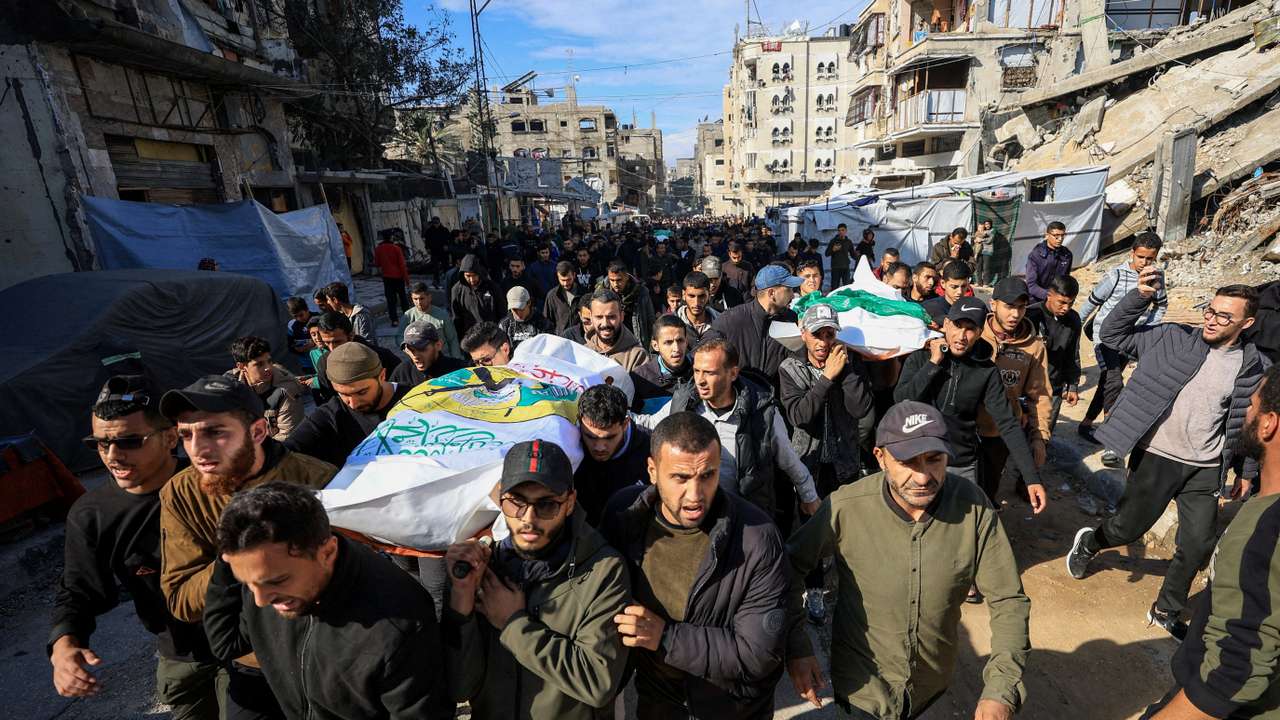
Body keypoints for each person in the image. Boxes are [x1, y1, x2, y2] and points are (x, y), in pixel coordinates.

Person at [785, 401, 1031, 720]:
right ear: (881, 458)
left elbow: (1008, 599)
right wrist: (797, 647)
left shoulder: (974, 508)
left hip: (929, 687)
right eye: (907, 462)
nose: (922, 476)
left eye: (934, 460)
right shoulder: (846, 507)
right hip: (862, 689)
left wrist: (1001, 687)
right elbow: (787, 570)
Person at [1066, 280, 1267, 638]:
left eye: (1224, 316)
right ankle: (1092, 541)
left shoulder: (1253, 366)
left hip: (1205, 466)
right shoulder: (1170, 337)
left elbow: (1247, 423)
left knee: (1197, 543)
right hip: (1156, 455)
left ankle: (1166, 609)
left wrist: (1247, 472)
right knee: (1127, 528)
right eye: (1210, 311)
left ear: (1246, 324)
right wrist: (1140, 297)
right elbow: (1111, 334)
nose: (1212, 320)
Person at [158, 376, 336, 720]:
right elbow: (181, 599)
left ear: (257, 432)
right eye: (186, 434)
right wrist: (241, 557)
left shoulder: (319, 481)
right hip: (250, 666)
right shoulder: (181, 493)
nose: (197, 449)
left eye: (215, 432)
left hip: (322, 656)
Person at [204, 482, 450, 720]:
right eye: (247, 582)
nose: (259, 601)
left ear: (328, 553)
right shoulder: (266, 576)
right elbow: (226, 643)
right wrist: (230, 563)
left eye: (278, 581)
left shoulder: (399, 621)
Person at [50, 376, 219, 718]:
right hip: (181, 655)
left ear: (170, 437)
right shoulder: (92, 515)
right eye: (99, 443)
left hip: (250, 644)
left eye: (129, 441)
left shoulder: (214, 484)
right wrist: (64, 643)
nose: (113, 455)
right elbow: (80, 590)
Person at [602, 412, 789, 719]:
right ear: (652, 470)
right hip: (658, 703)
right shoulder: (624, 513)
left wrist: (664, 636)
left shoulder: (757, 537)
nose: (695, 495)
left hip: (730, 708)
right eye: (680, 478)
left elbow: (758, 655)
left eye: (707, 476)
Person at [443, 440, 631, 719]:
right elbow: (459, 688)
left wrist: (514, 625)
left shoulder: (603, 571)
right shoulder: (484, 570)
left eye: (546, 505)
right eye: (516, 503)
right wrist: (461, 603)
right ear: (500, 499)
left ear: (569, 504)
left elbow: (598, 683)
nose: (528, 519)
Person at [1141, 364, 1280, 719]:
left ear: (1269, 424)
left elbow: (1234, 671)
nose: (1246, 411)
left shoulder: (1265, 530)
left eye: (1252, 405)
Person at [894, 297, 1047, 512]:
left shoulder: (986, 370)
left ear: (979, 332)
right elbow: (902, 401)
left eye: (970, 329)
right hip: (919, 461)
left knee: (962, 526)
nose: (962, 336)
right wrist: (933, 364)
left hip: (960, 461)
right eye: (957, 326)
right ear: (947, 324)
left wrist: (1031, 477)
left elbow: (1008, 423)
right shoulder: (921, 357)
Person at [637, 339, 819, 519]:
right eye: (696, 371)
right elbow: (650, 423)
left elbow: (789, 460)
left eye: (709, 373)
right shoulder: (683, 402)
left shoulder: (763, 414)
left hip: (744, 516)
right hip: (697, 515)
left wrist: (809, 496)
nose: (700, 380)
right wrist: (620, 418)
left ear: (733, 373)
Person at [778, 304, 874, 624]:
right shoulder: (791, 368)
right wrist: (826, 378)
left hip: (843, 459)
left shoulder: (849, 364)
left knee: (846, 524)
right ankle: (815, 588)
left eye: (828, 334)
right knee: (813, 527)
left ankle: (851, 585)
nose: (822, 342)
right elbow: (800, 416)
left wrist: (844, 372)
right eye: (816, 334)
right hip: (809, 462)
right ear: (804, 335)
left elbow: (860, 407)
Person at [1077, 232, 1168, 447]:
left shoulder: (1156, 278)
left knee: (1107, 383)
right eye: (1141, 257)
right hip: (1105, 336)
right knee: (1114, 380)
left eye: (1150, 259)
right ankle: (1110, 432)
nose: (1144, 263)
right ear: (1132, 254)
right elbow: (1091, 302)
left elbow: (1161, 305)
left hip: (1130, 340)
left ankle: (1086, 424)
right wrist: (1073, 327)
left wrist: (1147, 327)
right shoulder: (1116, 275)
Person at [976, 278, 1053, 508]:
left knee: (989, 487)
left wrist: (1039, 438)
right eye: (1009, 306)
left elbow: (1039, 395)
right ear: (993, 305)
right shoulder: (974, 332)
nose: (1015, 314)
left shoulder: (1034, 346)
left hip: (1001, 432)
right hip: (966, 428)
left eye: (1021, 307)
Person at [285, 342, 411, 468]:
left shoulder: (416, 399)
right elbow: (289, 450)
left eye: (362, 392)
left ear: (382, 376)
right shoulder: (332, 414)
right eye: (343, 394)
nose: (353, 404)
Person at [574, 385, 652, 526]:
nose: (599, 447)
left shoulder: (651, 450)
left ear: (626, 424)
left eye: (609, 438)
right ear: (580, 421)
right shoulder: (570, 445)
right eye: (590, 437)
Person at [706, 264, 802, 379]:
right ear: (771, 293)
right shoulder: (731, 320)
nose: (792, 295)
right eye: (789, 289)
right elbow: (701, 355)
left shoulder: (791, 318)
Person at [1025, 275, 1082, 433]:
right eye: (1062, 302)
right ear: (1049, 295)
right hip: (1027, 386)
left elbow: (1073, 353)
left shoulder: (1073, 320)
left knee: (1044, 433)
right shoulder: (1031, 315)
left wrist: (1073, 385)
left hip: (1054, 387)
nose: (1066, 308)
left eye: (1071, 303)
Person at [225, 337, 305, 441]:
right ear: (241, 367)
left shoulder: (286, 389)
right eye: (259, 364)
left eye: (269, 361)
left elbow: (288, 436)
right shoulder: (229, 383)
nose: (268, 367)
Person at [312, 312, 401, 402]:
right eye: (327, 343)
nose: (332, 348)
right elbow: (331, 399)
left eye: (337, 342)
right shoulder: (324, 363)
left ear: (351, 336)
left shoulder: (381, 356)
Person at [632, 315, 693, 410]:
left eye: (680, 340)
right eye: (668, 342)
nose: (676, 349)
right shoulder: (639, 379)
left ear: (686, 342)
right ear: (655, 345)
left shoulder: (699, 371)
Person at [584, 289, 649, 371]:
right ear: (591, 317)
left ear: (622, 316)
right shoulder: (583, 352)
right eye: (599, 317)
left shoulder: (637, 356)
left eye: (611, 317)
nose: (605, 324)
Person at [389, 321, 466, 387]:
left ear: (438, 345)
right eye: (410, 350)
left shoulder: (460, 370)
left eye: (421, 348)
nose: (415, 355)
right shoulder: (402, 374)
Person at [602, 260, 657, 349]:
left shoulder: (641, 292)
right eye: (612, 280)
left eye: (619, 280)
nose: (615, 284)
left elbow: (650, 319)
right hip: (612, 341)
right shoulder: (602, 293)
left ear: (627, 277)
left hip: (636, 339)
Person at [401, 282, 462, 360]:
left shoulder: (442, 315)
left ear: (429, 297)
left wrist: (456, 359)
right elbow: (400, 337)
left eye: (421, 298)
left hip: (441, 357)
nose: (418, 302)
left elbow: (452, 339)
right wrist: (409, 350)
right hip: (419, 358)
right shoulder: (408, 316)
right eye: (415, 299)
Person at [450, 254, 504, 338]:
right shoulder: (457, 290)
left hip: (491, 336)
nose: (471, 279)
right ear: (463, 274)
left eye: (474, 275)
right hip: (470, 338)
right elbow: (457, 318)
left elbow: (502, 313)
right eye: (468, 276)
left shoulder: (492, 287)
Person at [1025, 221, 1073, 303]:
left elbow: (1064, 279)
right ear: (1047, 235)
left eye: (1062, 235)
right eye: (1056, 236)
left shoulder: (1067, 255)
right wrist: (1050, 296)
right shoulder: (1035, 255)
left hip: (1056, 300)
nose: (1060, 239)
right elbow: (1031, 285)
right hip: (1036, 300)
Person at [374, 231, 410, 325]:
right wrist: (407, 280)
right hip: (398, 276)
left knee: (391, 299)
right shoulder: (396, 248)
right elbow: (402, 265)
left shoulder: (378, 249)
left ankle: (394, 320)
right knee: (403, 298)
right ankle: (408, 318)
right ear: (391, 238)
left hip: (387, 277)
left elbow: (377, 263)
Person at [921, 260, 972, 325]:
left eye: (964, 286)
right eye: (954, 287)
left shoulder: (975, 308)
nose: (960, 291)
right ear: (943, 283)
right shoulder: (928, 308)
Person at [544, 260, 586, 335]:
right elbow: (547, 321)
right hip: (560, 339)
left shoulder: (584, 293)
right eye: (562, 280)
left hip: (580, 339)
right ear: (557, 276)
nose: (565, 284)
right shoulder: (552, 296)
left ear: (574, 275)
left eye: (568, 280)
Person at [676, 271, 718, 343]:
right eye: (691, 296)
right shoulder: (668, 324)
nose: (696, 303)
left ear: (709, 295)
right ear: (683, 295)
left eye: (701, 296)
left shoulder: (721, 323)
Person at [284, 298, 315, 373]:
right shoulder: (292, 325)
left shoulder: (317, 319)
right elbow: (290, 345)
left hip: (321, 359)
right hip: (307, 364)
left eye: (301, 315)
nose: (299, 318)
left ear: (307, 309)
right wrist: (297, 349)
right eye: (295, 316)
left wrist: (314, 344)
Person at [424, 216, 451, 287]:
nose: (436, 224)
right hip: (434, 251)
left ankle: (448, 280)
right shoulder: (429, 231)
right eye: (434, 223)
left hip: (443, 252)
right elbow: (427, 241)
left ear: (439, 222)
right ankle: (436, 280)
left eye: (437, 223)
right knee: (435, 267)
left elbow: (449, 239)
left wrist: (447, 246)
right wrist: (427, 248)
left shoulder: (444, 230)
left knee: (446, 266)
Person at [826, 224, 853, 289]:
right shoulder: (833, 241)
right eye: (839, 230)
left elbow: (853, 254)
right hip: (836, 267)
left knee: (847, 287)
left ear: (846, 231)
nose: (841, 232)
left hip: (846, 267)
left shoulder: (848, 242)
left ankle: (847, 298)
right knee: (834, 286)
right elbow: (826, 254)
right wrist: (833, 249)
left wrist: (861, 257)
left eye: (842, 230)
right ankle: (834, 299)